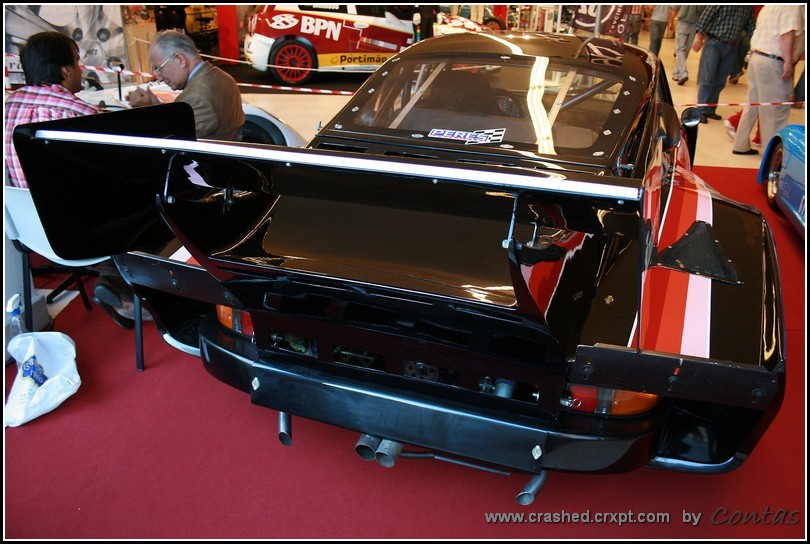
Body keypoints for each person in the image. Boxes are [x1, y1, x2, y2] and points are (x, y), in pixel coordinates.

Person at [4, 31, 99, 189]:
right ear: (66, 70)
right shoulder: (83, 113)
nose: (81, 71)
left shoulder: (10, 104)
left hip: (21, 202)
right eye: (77, 62)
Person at [126, 30, 244, 141]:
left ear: (180, 59)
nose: (159, 78)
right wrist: (154, 104)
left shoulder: (195, 98)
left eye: (159, 69)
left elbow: (170, 139)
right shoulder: (222, 76)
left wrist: (147, 111)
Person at [732, 5, 804, 156]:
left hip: (758, 56)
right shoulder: (791, 7)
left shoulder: (769, 6)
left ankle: (740, 144)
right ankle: (772, 155)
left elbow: (757, 32)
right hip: (774, 61)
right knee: (775, 111)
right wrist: (788, 61)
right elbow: (786, 35)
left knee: (752, 105)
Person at [691, 6, 756, 123]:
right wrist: (699, 37)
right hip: (714, 43)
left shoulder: (747, 6)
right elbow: (705, 17)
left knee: (720, 81)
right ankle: (701, 110)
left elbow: (750, 26)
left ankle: (710, 109)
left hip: (732, 46)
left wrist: (755, 44)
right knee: (708, 78)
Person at [671, 5, 705, 85]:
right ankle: (676, 74)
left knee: (680, 50)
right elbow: (703, 13)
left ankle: (683, 73)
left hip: (682, 23)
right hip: (694, 25)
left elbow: (675, 8)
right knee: (685, 51)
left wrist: (671, 21)